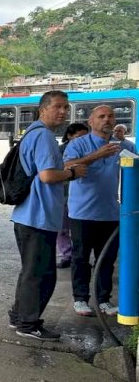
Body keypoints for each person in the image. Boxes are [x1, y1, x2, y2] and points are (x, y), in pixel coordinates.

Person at [8, 91, 87, 341]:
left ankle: (18, 316)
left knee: (30, 271)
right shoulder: (43, 136)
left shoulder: (33, 132)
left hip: (28, 214)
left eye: (66, 107)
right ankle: (28, 324)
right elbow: (47, 176)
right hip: (37, 215)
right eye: (58, 107)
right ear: (43, 109)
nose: (63, 112)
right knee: (42, 275)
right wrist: (73, 173)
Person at [64, 105, 121, 317]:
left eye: (111, 116)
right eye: (102, 116)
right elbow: (66, 165)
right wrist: (96, 155)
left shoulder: (121, 145)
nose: (107, 119)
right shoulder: (79, 144)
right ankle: (80, 299)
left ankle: (103, 300)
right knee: (80, 258)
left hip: (110, 213)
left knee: (106, 259)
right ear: (91, 121)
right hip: (81, 213)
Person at [56, 123, 89, 269]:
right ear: (69, 136)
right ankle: (66, 255)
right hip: (63, 194)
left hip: (83, 195)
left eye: (86, 137)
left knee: (82, 228)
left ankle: (81, 255)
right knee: (62, 228)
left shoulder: (89, 149)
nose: (83, 140)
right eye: (79, 137)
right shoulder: (59, 151)